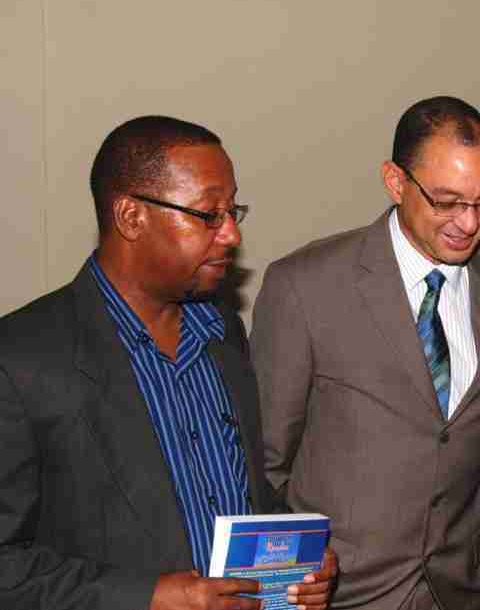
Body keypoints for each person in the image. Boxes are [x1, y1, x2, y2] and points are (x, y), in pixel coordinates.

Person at [0, 115, 336, 610]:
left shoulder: (223, 333)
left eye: (233, 212)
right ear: (131, 217)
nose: (232, 237)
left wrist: (297, 562)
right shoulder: (23, 359)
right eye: (208, 215)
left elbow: (244, 494)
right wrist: (147, 598)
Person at [250, 96, 480, 610]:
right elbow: (267, 464)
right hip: (340, 595)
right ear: (395, 181)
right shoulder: (305, 287)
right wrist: (293, 584)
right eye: (446, 202)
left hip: (463, 594)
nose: (469, 223)